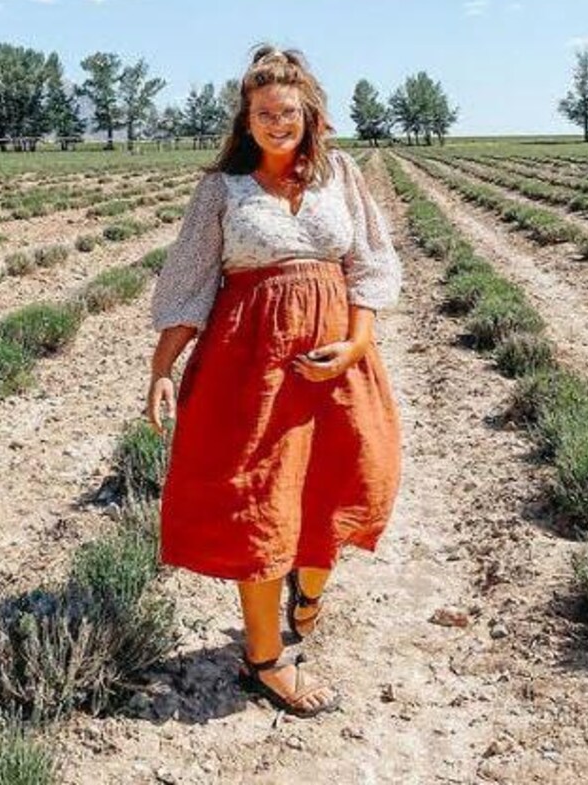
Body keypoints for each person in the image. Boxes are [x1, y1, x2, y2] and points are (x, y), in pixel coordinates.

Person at [146, 45, 403, 718]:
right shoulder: (222, 188)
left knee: (346, 479)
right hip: (250, 365)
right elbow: (189, 281)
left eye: (287, 111)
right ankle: (265, 658)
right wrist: (162, 367)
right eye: (264, 112)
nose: (276, 122)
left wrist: (357, 342)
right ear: (246, 119)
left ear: (309, 114)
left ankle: (309, 590)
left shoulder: (339, 174)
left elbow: (369, 263)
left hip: (337, 362)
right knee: (260, 498)